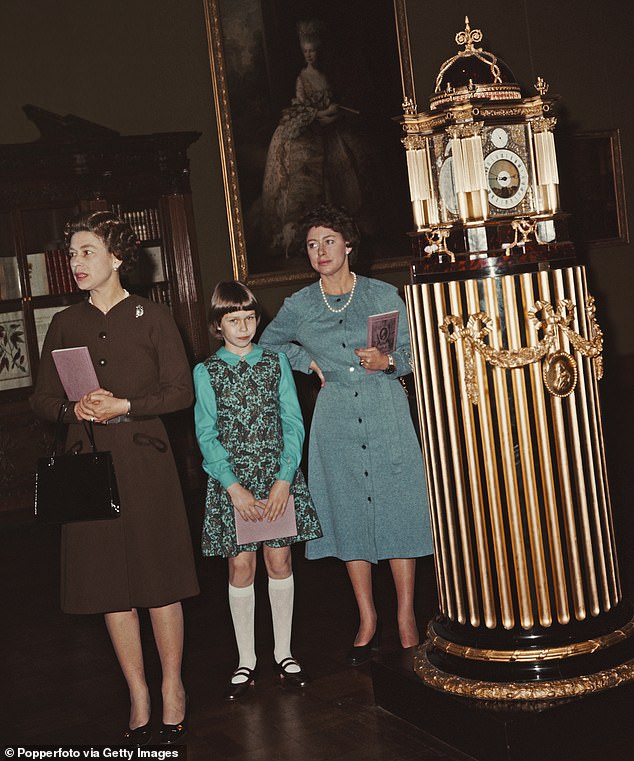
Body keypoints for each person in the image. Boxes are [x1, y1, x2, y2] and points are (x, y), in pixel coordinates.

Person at [31, 210, 199, 746]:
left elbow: (181, 392)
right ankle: (138, 694)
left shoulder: (154, 317)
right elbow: (41, 398)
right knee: (109, 589)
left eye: (86, 252)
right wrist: (72, 411)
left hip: (144, 463)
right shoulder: (64, 323)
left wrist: (126, 404)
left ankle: (172, 687)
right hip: (87, 466)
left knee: (159, 582)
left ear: (116, 258)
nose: (75, 263)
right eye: (72, 254)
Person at [259, 204, 433, 665]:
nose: (320, 251)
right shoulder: (299, 305)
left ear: (349, 245)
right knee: (349, 511)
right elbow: (266, 345)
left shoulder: (383, 294)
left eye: (329, 241)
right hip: (334, 417)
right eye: (312, 245)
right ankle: (367, 616)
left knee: (397, 508)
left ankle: (406, 616)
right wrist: (305, 362)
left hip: (384, 407)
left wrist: (390, 362)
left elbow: (422, 351)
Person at [193, 280, 322, 700]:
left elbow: (293, 420)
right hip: (235, 485)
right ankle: (246, 658)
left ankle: (283, 652)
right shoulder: (206, 371)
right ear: (218, 325)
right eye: (234, 320)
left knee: (280, 560)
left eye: (250, 318)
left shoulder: (275, 361)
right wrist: (233, 488)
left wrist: (285, 478)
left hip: (275, 478)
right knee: (241, 567)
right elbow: (206, 434)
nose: (244, 327)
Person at [260, 18, 371, 257]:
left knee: (346, 169)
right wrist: (321, 113)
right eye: (306, 51)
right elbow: (302, 107)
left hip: (329, 132)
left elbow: (330, 102)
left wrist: (334, 111)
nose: (310, 55)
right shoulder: (302, 77)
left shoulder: (323, 76)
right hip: (309, 132)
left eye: (313, 51)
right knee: (305, 179)